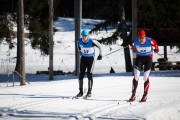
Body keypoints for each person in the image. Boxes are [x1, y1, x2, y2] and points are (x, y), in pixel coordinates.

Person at [129, 29, 159, 102]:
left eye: (142, 38)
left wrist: (156, 50)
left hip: (148, 59)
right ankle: (133, 95)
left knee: (145, 77)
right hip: (139, 59)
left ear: (145, 37)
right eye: (139, 38)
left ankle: (145, 95)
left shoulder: (150, 41)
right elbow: (132, 46)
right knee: (136, 76)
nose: (141, 39)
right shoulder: (134, 41)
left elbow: (156, 47)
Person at [76, 29, 102, 98]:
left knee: (89, 74)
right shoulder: (79, 41)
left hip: (91, 59)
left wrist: (100, 55)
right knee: (81, 74)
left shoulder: (92, 41)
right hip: (84, 59)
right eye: (82, 36)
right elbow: (78, 47)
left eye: (85, 36)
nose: (83, 37)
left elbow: (100, 46)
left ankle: (89, 91)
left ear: (88, 36)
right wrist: (80, 53)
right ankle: (81, 92)